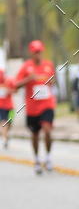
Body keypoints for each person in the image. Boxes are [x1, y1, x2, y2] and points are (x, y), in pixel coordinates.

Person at [14, 40, 56, 174]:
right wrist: (28, 79)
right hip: (32, 108)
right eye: (35, 52)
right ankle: (37, 160)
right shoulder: (26, 67)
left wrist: (50, 81)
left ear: (42, 52)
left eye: (39, 52)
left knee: (47, 129)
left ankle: (48, 158)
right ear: (31, 53)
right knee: (35, 134)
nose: (37, 55)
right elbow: (16, 85)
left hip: (47, 104)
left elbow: (53, 81)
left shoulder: (48, 65)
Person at [0, 68, 15, 148]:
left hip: (10, 106)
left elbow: (15, 90)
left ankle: (6, 134)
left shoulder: (9, 81)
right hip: (1, 107)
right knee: (4, 122)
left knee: (10, 123)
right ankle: (5, 139)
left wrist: (9, 91)